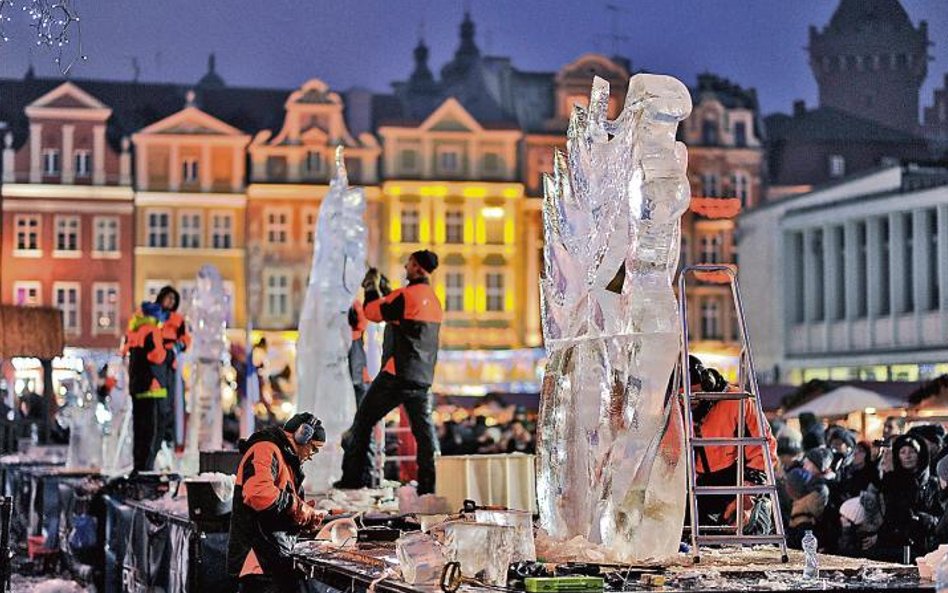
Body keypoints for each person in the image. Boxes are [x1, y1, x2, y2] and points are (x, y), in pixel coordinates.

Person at [336, 250, 443, 494]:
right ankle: (430, 485)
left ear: (417, 267)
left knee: (363, 421)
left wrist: (371, 288)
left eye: (409, 263)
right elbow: (399, 314)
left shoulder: (405, 296)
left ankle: (354, 480)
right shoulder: (434, 300)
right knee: (425, 435)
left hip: (396, 375)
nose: (406, 267)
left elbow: (374, 312)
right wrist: (385, 290)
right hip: (422, 377)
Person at [228, 412, 327, 592]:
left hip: (274, 560)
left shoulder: (285, 458)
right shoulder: (265, 449)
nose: (312, 455)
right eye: (313, 448)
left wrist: (302, 520)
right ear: (302, 435)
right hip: (259, 561)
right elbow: (258, 494)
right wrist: (297, 507)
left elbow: (277, 509)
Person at [688, 355, 778, 534]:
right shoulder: (673, 410)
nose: (691, 403)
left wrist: (748, 494)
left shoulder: (738, 401)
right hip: (698, 484)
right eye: (685, 398)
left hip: (741, 477)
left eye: (695, 395)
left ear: (708, 384)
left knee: (753, 531)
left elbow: (764, 448)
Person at [876, 433, 941, 561]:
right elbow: (885, 513)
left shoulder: (932, 484)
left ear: (920, 454)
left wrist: (924, 519)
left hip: (923, 546)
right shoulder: (891, 481)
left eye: (912, 452)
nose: (907, 456)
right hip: (893, 546)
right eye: (903, 452)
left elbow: (940, 517)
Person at [123, 301, 168, 471]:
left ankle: (138, 467)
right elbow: (158, 356)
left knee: (139, 432)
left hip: (137, 387)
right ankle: (146, 470)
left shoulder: (133, 331)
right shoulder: (153, 330)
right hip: (152, 388)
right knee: (152, 432)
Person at [157, 286, 189, 448]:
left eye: (174, 299)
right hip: (156, 361)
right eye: (168, 298)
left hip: (171, 363)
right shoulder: (154, 317)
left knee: (173, 400)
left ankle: (169, 437)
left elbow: (185, 340)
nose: (171, 301)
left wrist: (176, 348)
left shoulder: (178, 319)